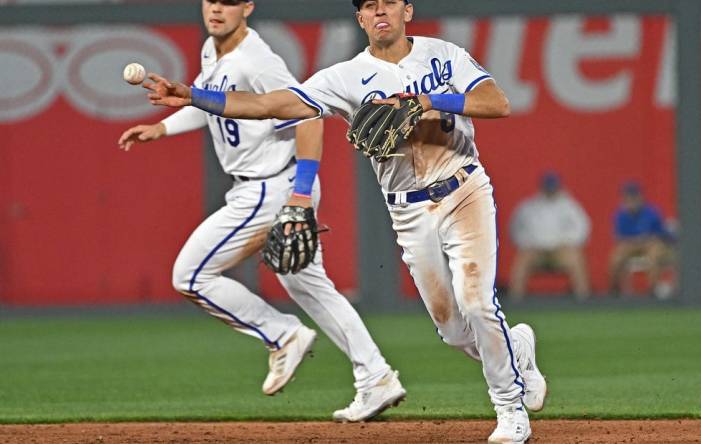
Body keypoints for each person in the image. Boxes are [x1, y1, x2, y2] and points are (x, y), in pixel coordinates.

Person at [145, 0, 548, 440]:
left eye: (388, 3)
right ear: (360, 18)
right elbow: (268, 105)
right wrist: (194, 97)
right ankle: (517, 349)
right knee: (453, 330)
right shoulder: (346, 77)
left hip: (463, 187)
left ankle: (509, 409)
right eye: (368, 6)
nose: (380, 12)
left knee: (477, 302)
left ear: (406, 11)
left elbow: (497, 102)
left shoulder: (442, 54)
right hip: (408, 209)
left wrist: (429, 99)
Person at [118, 0, 404, 422]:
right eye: (211, 0)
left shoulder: (257, 60)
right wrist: (163, 127)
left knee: (191, 274)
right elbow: (212, 105)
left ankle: (282, 334)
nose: (217, 9)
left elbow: (309, 115)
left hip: (274, 188)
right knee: (312, 288)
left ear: (248, 7)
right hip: (264, 187)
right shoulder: (213, 51)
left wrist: (300, 196)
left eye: (229, 2)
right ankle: (376, 376)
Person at [508, 172, 591, 300]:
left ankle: (584, 300)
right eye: (548, 186)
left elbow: (582, 227)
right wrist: (526, 244)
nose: (550, 189)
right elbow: (516, 227)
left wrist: (569, 242)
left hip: (560, 251)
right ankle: (515, 300)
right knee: (522, 261)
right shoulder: (529, 206)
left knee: (576, 259)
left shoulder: (569, 206)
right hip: (536, 251)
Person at [609, 181, 675, 296]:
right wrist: (636, 242)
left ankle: (652, 290)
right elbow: (620, 239)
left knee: (654, 253)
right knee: (617, 256)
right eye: (628, 197)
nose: (631, 200)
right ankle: (615, 291)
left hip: (653, 246)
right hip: (632, 247)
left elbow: (660, 236)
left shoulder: (652, 212)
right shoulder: (621, 215)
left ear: (640, 197)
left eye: (633, 196)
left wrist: (644, 241)